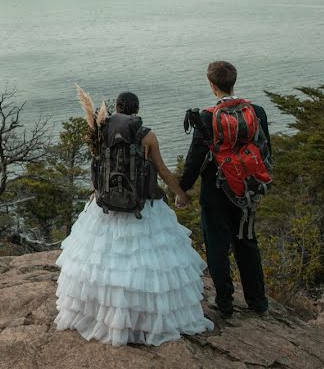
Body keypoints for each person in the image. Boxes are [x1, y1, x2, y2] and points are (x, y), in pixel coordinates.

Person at [55, 92, 213, 346]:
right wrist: (181, 193)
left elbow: (98, 167)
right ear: (137, 110)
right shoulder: (146, 135)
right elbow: (161, 169)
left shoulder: (99, 130)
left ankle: (103, 316)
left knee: (103, 263)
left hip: (105, 205)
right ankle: (144, 321)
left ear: (116, 108)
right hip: (142, 205)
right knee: (147, 265)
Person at [179, 61, 270, 319]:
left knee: (217, 246)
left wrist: (182, 190)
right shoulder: (258, 111)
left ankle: (226, 303)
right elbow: (266, 152)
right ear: (234, 81)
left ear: (212, 84)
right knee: (247, 242)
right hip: (247, 189)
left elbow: (195, 159)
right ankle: (258, 301)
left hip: (216, 191)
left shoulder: (207, 117)